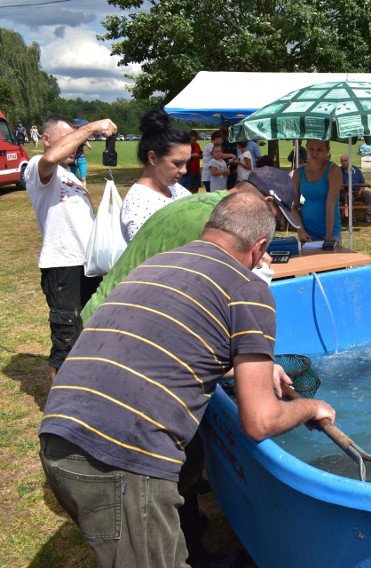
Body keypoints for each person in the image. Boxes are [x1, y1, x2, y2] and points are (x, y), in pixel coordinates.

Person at [40, 192, 336, 568]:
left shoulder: (159, 263)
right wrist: (310, 406)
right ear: (259, 245)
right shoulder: (248, 289)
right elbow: (259, 422)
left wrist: (249, 368)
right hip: (116, 458)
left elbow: (169, 343)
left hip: (59, 434)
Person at [25, 115, 118, 381]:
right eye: (67, 137)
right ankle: (59, 414)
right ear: (46, 139)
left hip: (86, 266)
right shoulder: (37, 167)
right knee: (66, 341)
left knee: (89, 332)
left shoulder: (71, 177)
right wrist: (91, 128)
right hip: (63, 266)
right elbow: (51, 159)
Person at [120, 109, 192, 242]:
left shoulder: (177, 189)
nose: (184, 170)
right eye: (177, 163)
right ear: (153, 158)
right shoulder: (139, 205)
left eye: (187, 163)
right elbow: (147, 257)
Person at [291, 139, 343, 243]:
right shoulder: (298, 173)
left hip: (330, 233)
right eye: (311, 149)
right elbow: (293, 207)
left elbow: (330, 206)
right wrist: (301, 230)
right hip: (307, 233)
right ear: (306, 148)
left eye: (319, 150)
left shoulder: (333, 170)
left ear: (327, 150)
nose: (315, 153)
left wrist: (329, 238)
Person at [340, 154, 371, 223]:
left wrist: (360, 191)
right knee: (350, 197)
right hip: (345, 193)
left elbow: (363, 183)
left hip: (358, 191)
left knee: (368, 194)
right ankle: (351, 217)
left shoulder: (356, 170)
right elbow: (338, 186)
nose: (343, 162)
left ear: (350, 161)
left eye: (345, 161)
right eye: (342, 161)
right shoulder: (338, 171)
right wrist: (347, 191)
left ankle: (368, 215)